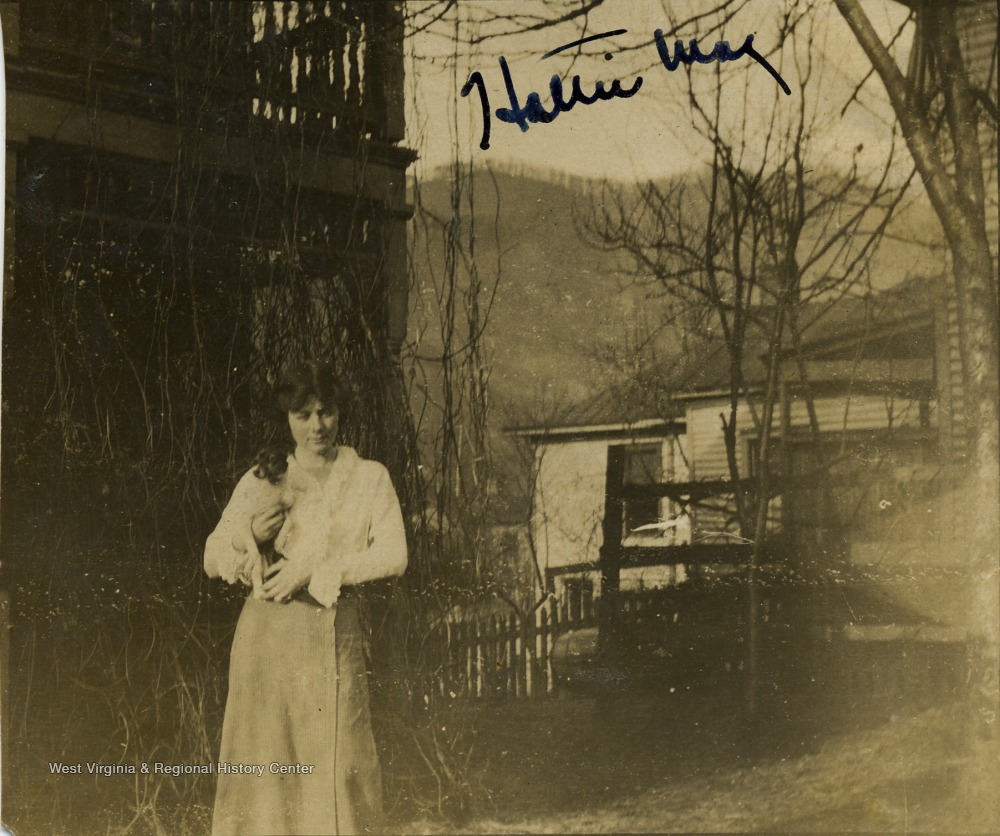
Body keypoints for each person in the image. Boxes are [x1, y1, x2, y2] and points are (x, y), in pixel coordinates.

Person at [204, 361, 407, 835]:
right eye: (303, 415)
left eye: (326, 411)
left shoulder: (369, 477)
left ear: (340, 412)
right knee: (269, 769)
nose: (317, 426)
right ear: (287, 419)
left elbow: (395, 555)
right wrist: (250, 536)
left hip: (335, 632)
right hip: (267, 640)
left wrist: (315, 570)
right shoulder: (265, 477)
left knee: (341, 759)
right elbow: (212, 555)